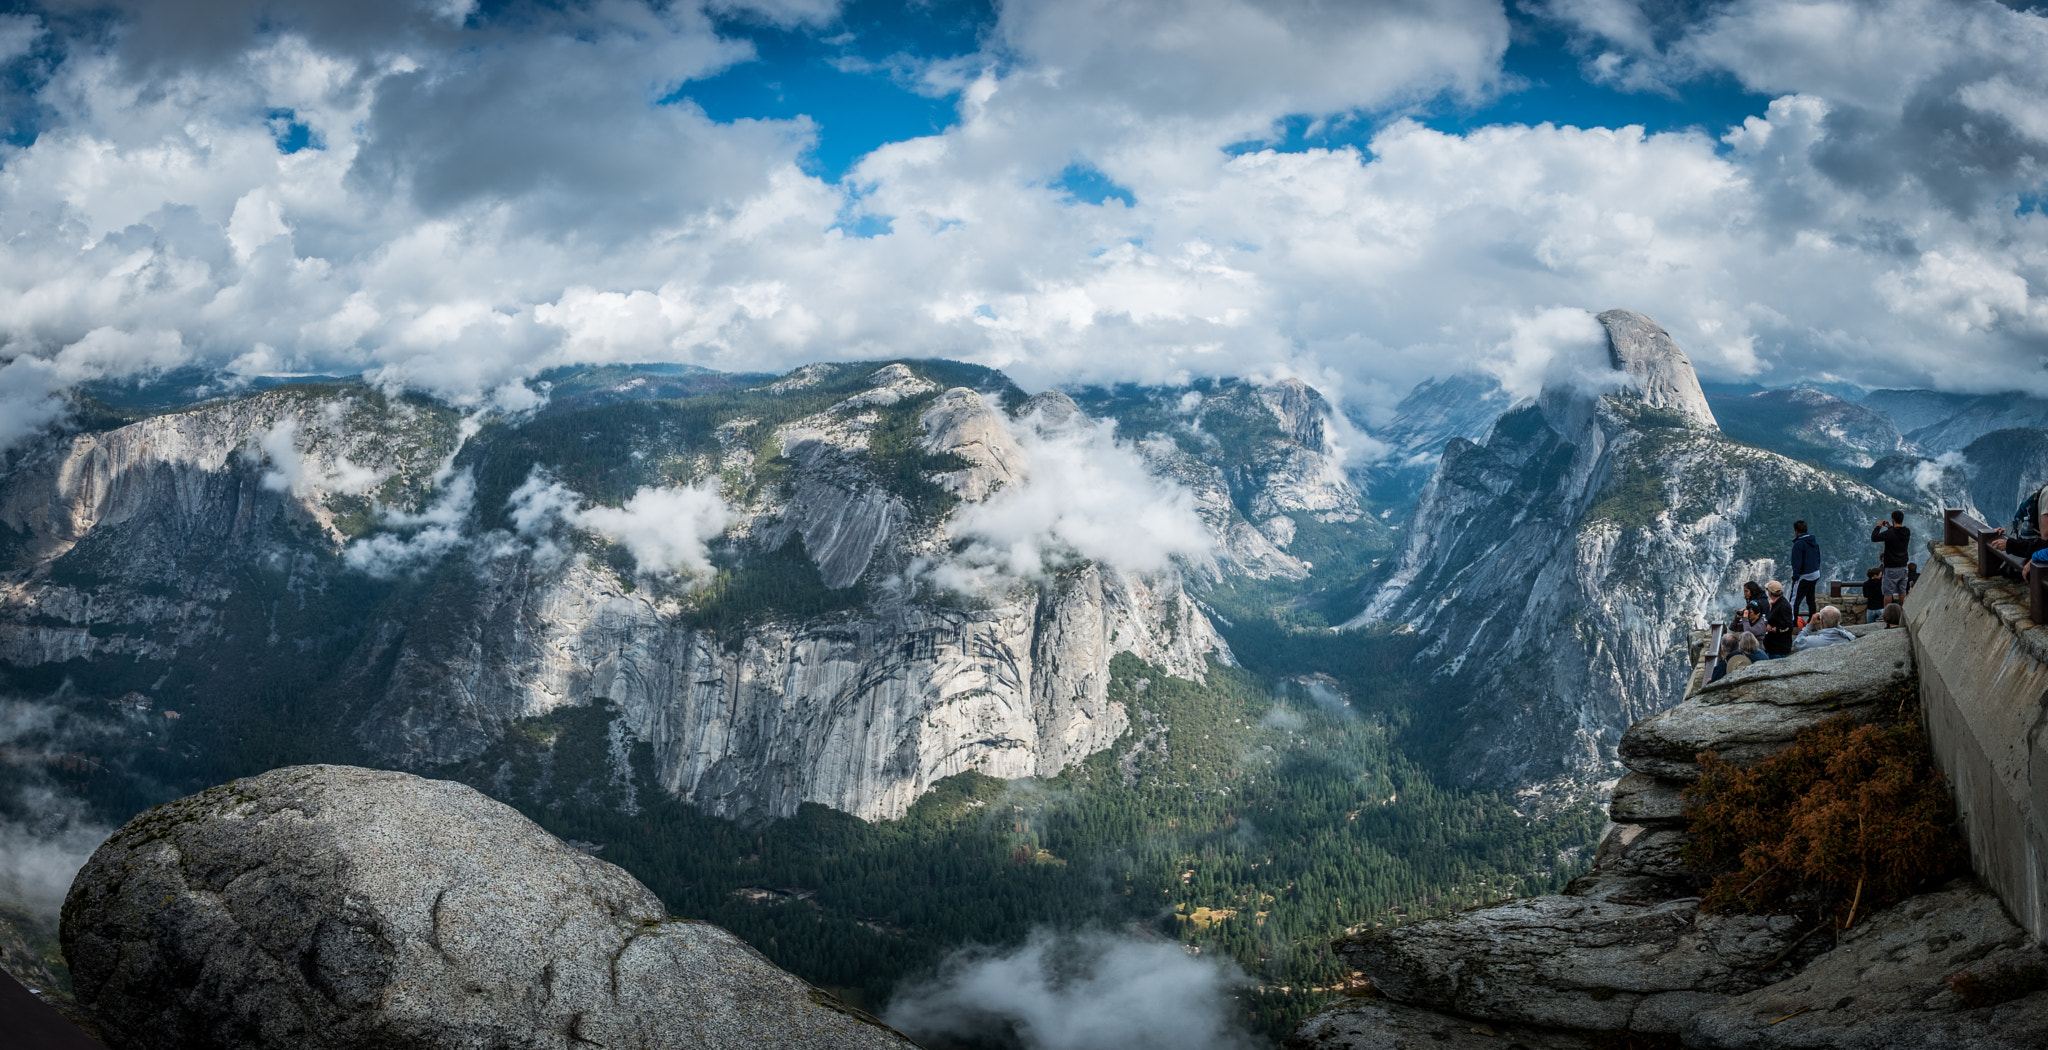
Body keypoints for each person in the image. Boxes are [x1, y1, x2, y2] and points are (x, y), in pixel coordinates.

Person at [1871, 511, 1912, 611]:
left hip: (1891, 567)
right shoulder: (1907, 531)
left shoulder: (1890, 533)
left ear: (1893, 519)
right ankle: (1903, 613)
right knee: (1902, 591)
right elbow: (1897, 533)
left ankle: (1888, 616)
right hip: (1903, 566)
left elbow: (1874, 538)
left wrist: (1878, 527)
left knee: (1888, 593)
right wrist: (1890, 527)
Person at [1788, 520, 1821, 619]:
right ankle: (1813, 621)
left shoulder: (1799, 544)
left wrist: (1795, 578)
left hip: (1805, 575)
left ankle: (1792, 624)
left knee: (1794, 601)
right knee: (1810, 599)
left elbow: (1797, 563)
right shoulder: (1813, 541)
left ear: (1796, 531)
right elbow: (1818, 557)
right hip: (1815, 573)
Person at [1762, 580, 1796, 658]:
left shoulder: (1782, 606)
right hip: (1773, 646)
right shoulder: (1777, 603)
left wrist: (1772, 629)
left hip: (1778, 649)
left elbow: (1788, 626)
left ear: (1770, 593)